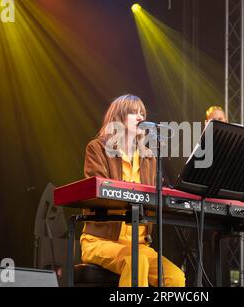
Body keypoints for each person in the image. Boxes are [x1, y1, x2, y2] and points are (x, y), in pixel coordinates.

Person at [80, 94, 186, 287]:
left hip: (139, 245)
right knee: (137, 263)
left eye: (142, 113)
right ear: (118, 117)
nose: (140, 118)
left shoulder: (149, 158)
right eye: (133, 112)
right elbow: (98, 191)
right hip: (101, 241)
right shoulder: (97, 149)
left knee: (176, 278)